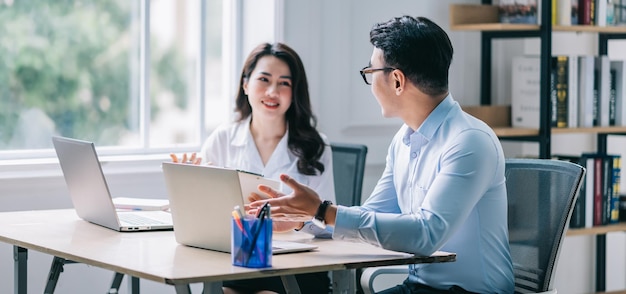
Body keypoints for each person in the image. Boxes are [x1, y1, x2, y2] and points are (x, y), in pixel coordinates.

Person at [250, 16, 515, 294]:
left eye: (371, 72)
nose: (371, 83)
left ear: (397, 81)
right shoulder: (403, 140)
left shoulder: (469, 141)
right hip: (418, 287)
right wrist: (304, 219)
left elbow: (426, 234)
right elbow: (370, 215)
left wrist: (322, 210)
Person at [172, 42, 335, 294]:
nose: (273, 91)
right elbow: (199, 219)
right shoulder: (223, 139)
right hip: (236, 263)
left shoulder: (316, 147)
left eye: (284, 83)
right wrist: (186, 187)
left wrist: (297, 221)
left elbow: (329, 228)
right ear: (245, 84)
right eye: (264, 79)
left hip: (298, 267)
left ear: (294, 93)